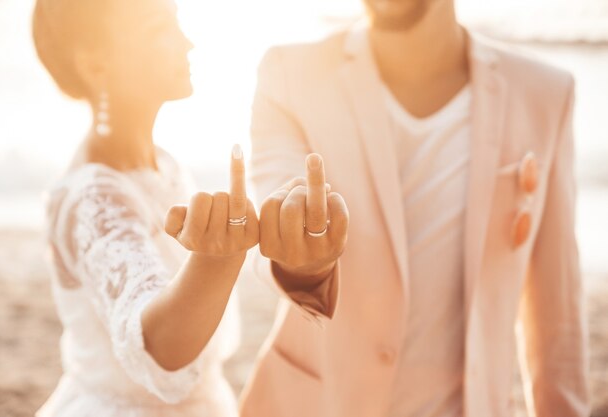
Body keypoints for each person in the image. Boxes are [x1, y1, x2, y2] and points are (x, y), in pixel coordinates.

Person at [240, 0, 590, 416]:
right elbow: (275, 207)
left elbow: (557, 314)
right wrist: (302, 256)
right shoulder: (288, 74)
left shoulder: (544, 93)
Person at [33, 0, 259, 415]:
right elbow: (159, 346)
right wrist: (216, 260)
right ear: (94, 65)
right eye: (160, 28)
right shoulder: (93, 197)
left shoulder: (164, 165)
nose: (187, 43)